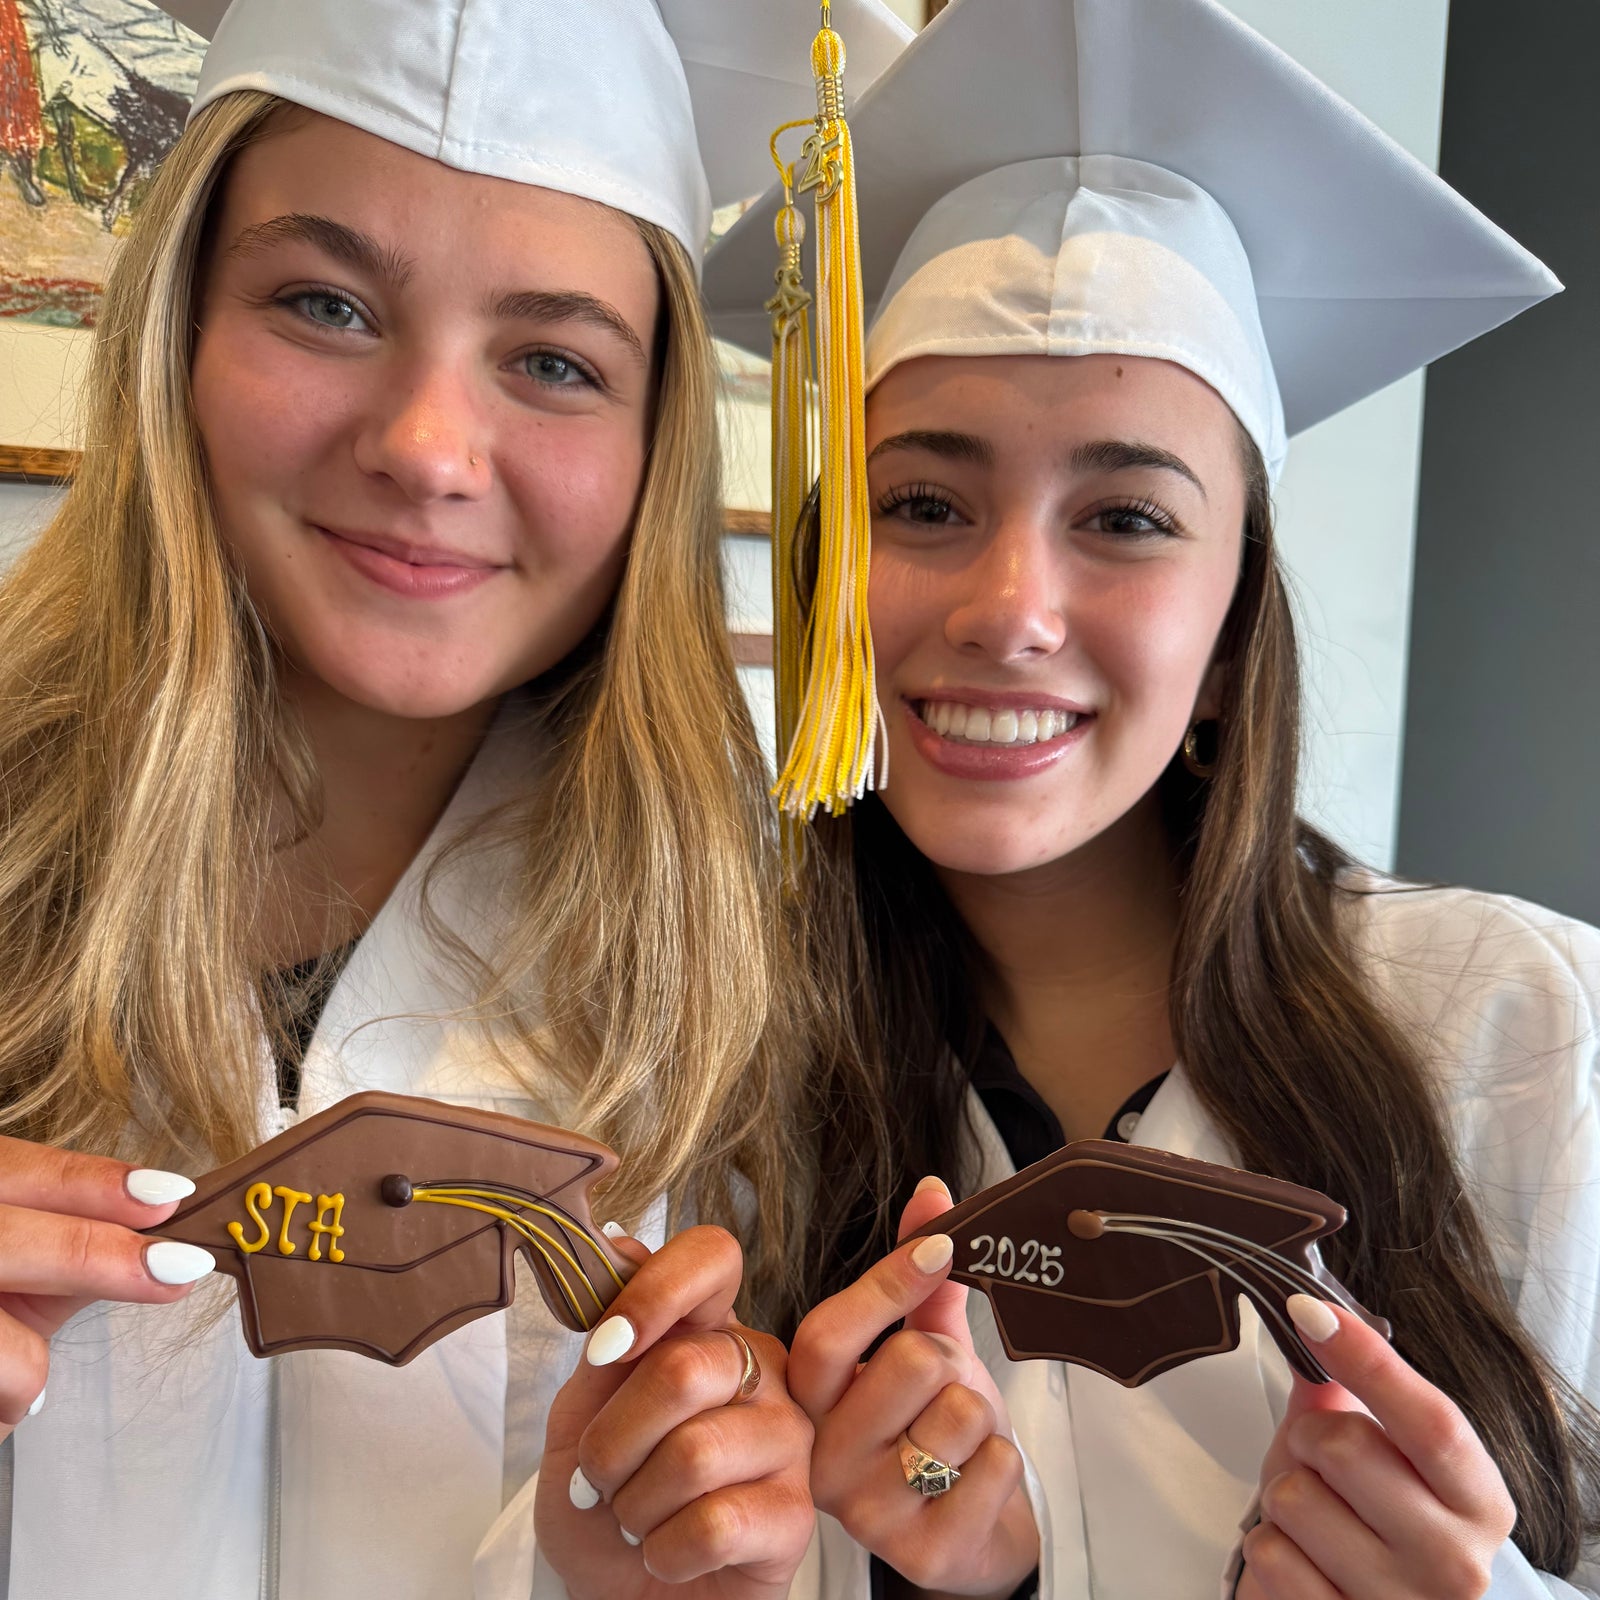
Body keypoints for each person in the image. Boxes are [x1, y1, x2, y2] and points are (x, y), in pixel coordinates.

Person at [0, 0, 913, 1596]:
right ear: (175, 334)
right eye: (325, 305)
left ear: (656, 442)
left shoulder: (767, 1004)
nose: (428, 449)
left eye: (555, 360)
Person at [705, 0, 1598, 1595]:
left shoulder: (1530, 1041)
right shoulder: (716, 1085)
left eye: (1124, 517)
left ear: (1237, 615)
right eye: (923, 500)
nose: (1008, 608)